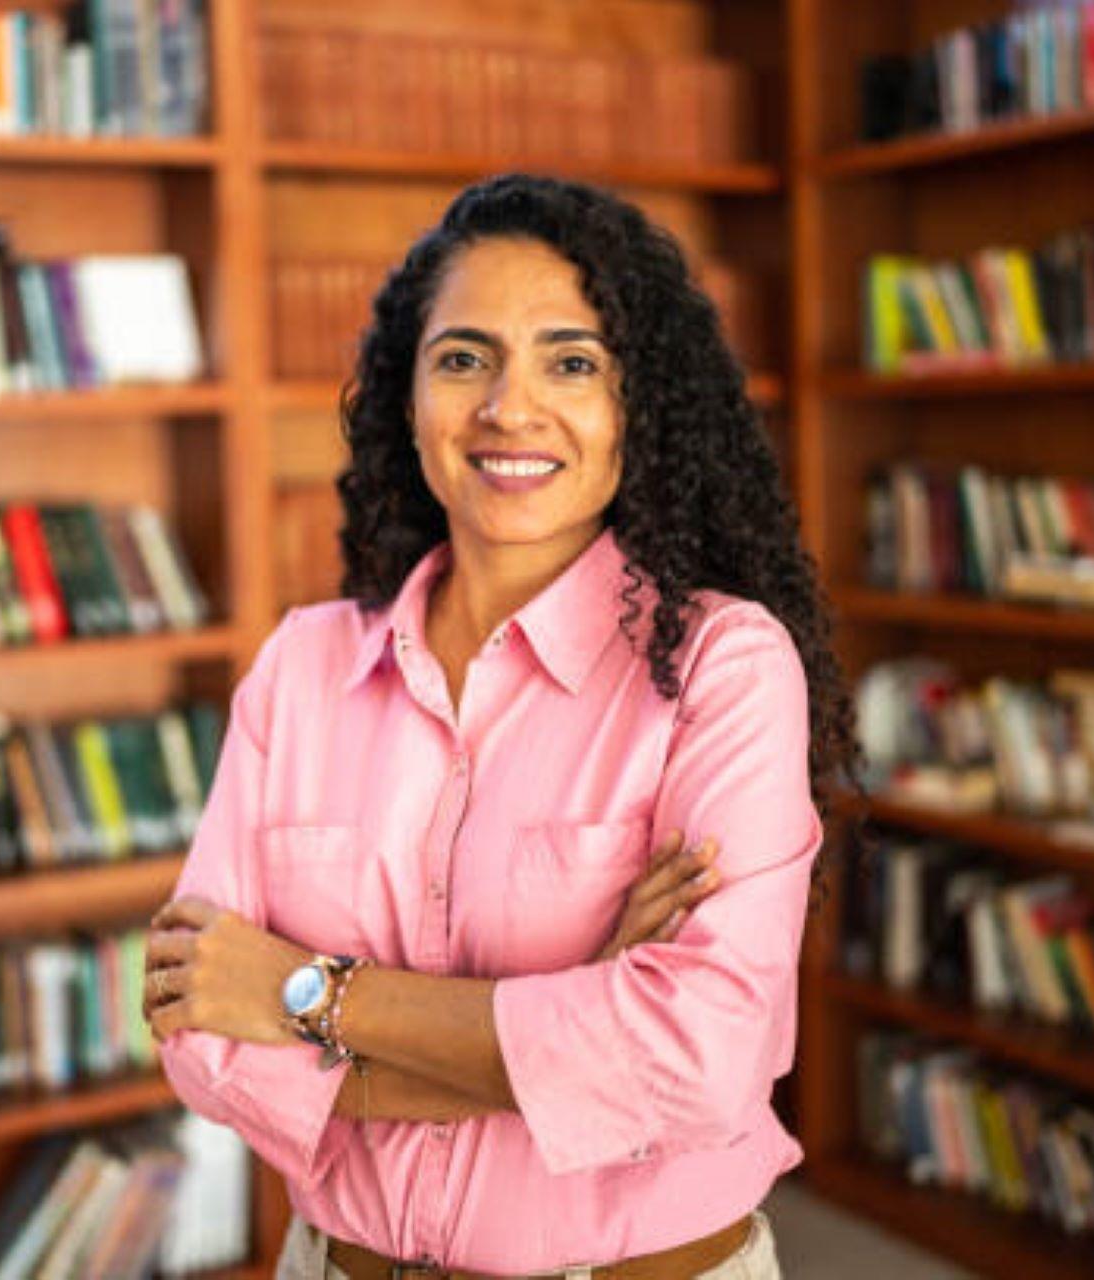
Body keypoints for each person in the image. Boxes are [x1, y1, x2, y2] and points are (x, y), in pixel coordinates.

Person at [143, 173, 857, 1279]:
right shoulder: (303, 665)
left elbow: (700, 1059)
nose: (508, 408)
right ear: (407, 396)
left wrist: (308, 995)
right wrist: (577, 1006)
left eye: (572, 362)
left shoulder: (725, 663)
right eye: (463, 357)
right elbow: (199, 1028)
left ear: (642, 403)